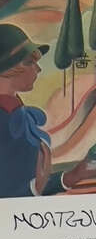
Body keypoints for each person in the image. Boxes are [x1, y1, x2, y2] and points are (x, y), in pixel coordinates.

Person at [0, 24, 51, 197]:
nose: (38, 69)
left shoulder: (16, 112)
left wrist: (74, 176)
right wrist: (35, 189)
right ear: (7, 68)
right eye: (30, 62)